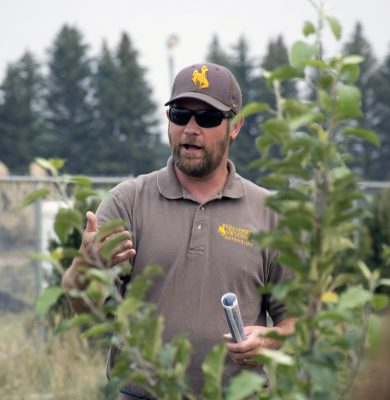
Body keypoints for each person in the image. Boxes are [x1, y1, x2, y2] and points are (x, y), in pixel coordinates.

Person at [62, 62, 296, 399]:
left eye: (208, 118)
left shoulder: (270, 214)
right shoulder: (127, 202)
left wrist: (273, 341)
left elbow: (299, 321)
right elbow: (84, 309)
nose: (190, 128)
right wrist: (86, 268)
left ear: (236, 126)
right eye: (180, 114)